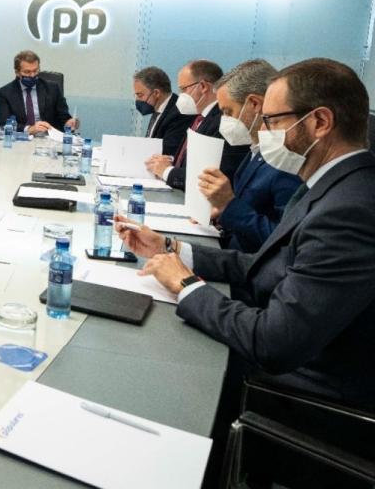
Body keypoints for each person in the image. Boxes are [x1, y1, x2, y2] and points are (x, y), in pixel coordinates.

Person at [118, 57, 375, 408]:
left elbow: (274, 342)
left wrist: (187, 286)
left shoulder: (350, 210)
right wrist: (171, 247)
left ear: (319, 122)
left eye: (272, 121)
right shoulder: (327, 186)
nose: (263, 131)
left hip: (299, 394)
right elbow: (264, 263)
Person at [198, 59, 301, 252]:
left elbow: (282, 239)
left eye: (228, 112)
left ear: (254, 104)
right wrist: (221, 214)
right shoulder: (256, 149)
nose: (224, 120)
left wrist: (228, 204)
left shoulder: (284, 158)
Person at [145, 60, 250, 190]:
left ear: (203, 86)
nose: (181, 95)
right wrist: (170, 161)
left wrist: (167, 171)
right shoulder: (200, 117)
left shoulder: (223, 122)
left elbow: (211, 174)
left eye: (184, 89)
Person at [0, 50, 76, 133]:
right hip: (21, 139)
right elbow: (4, 123)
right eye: (27, 72)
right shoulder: (5, 93)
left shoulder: (52, 89)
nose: (32, 75)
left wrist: (69, 123)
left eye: (35, 71)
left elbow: (64, 117)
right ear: (17, 72)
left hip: (48, 138)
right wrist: (29, 129)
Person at [133, 66, 196, 157]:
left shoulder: (180, 112)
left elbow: (168, 151)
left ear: (156, 93)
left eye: (140, 95)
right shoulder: (157, 108)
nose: (137, 99)